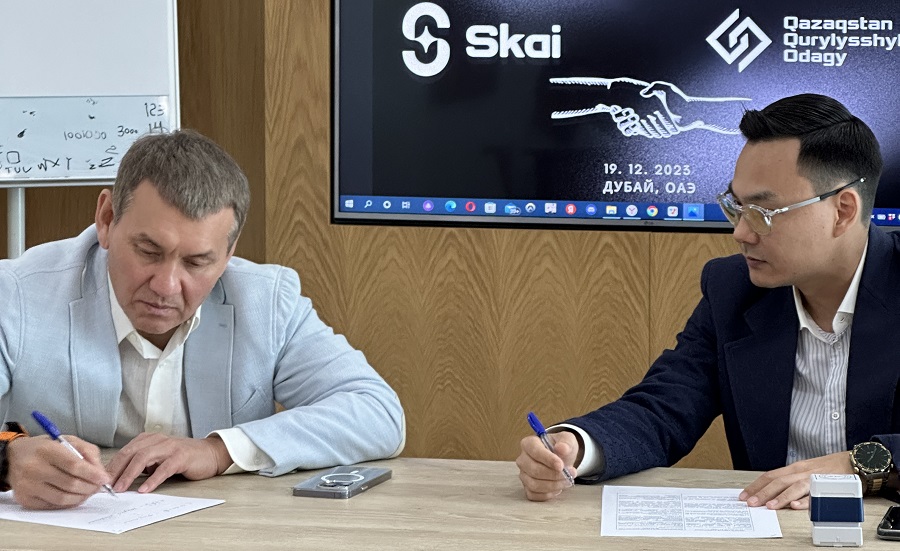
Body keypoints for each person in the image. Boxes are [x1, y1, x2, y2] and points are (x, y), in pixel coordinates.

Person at [517, 93, 900, 509]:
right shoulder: (733, 289)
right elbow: (664, 408)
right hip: (774, 528)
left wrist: (858, 464)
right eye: (737, 207)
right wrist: (576, 446)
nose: (741, 233)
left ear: (843, 211)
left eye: (763, 213)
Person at [0, 130, 405, 510]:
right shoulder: (16, 294)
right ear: (106, 219)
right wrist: (9, 457)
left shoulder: (266, 301)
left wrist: (218, 450)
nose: (166, 286)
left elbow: (378, 413)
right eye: (148, 251)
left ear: (228, 254)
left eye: (196, 262)